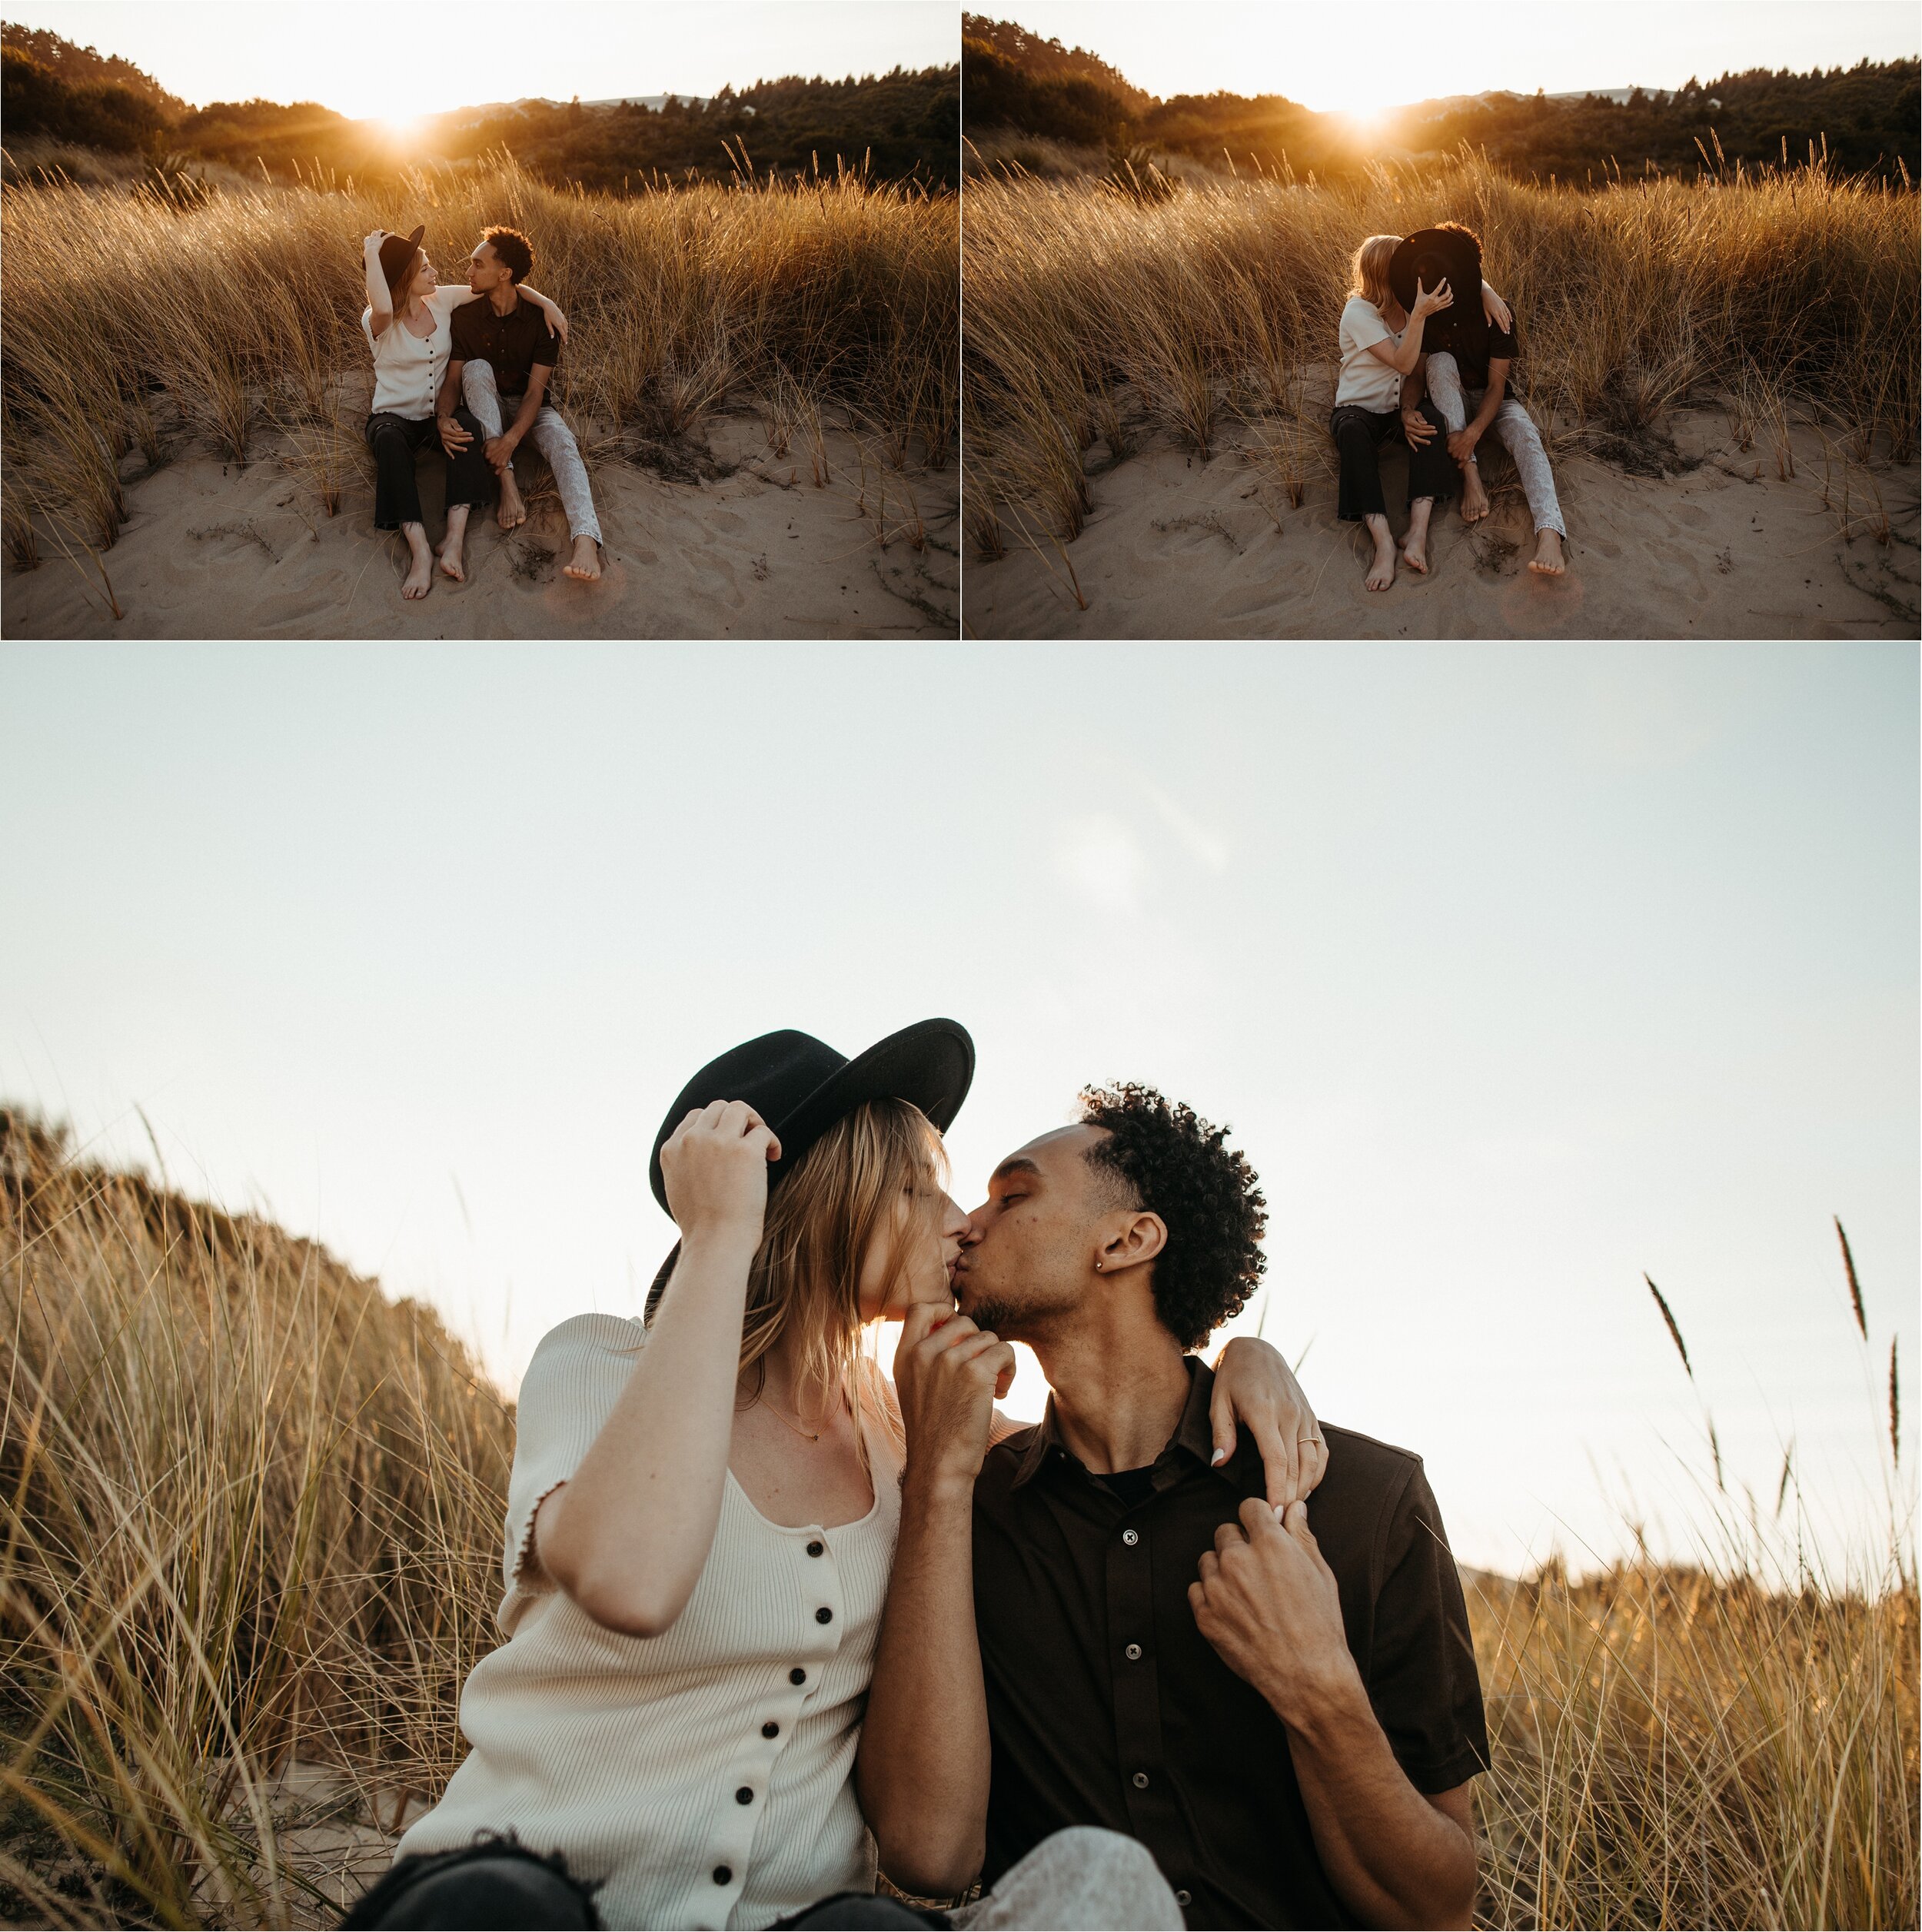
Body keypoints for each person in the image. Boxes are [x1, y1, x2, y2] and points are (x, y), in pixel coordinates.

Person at [344, 1023, 1322, 1930]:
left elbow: (1126, 1421)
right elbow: (633, 1581)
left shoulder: (909, 1430)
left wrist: (1239, 1356)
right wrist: (722, 1236)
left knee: (1089, 1888)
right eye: (918, 1189)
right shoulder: (598, 1369)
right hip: (522, 1896)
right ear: (822, 1200)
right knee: (497, 1906)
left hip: (800, 1920)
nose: (960, 1222)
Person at [860, 1083, 1489, 1930]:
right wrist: (938, 1476)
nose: (967, 1222)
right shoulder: (966, 1509)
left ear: (1127, 1238)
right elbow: (923, 1858)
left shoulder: (1364, 1502)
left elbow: (1439, 1908)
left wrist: (1318, 1688)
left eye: (1012, 1195)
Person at [359, 226, 570, 599]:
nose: (435, 273)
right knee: (390, 442)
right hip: (392, 417)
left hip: (435, 418)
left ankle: (453, 541)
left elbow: (503, 285)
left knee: (469, 426)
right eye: (425, 268)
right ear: (406, 277)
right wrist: (372, 253)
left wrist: (546, 303)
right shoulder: (377, 321)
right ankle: (420, 550)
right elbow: (384, 305)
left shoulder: (441, 300)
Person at [1332, 237, 1515, 592]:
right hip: (1359, 411)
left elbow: (1457, 274)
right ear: (1384, 272)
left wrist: (1485, 289)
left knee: (1434, 421)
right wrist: (1419, 316)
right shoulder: (1359, 311)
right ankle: (1383, 540)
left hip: (1399, 411)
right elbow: (1402, 361)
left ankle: (1416, 531)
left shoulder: (1412, 304)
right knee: (1352, 433)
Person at [1392, 224, 1568, 577]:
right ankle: (1470, 474)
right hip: (1449, 398)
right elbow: (1417, 372)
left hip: (1492, 402)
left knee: (1526, 435)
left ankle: (1550, 533)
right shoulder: (1426, 311)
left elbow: (1496, 388)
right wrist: (1406, 409)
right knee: (1440, 362)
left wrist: (1471, 433)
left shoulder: (1498, 314)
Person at [436, 227, 604, 585]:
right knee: (476, 368)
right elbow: (453, 381)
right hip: (487, 405)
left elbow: (535, 394)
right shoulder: (465, 316)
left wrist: (511, 439)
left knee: (563, 443)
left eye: (477, 265)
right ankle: (507, 480)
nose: (468, 272)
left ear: (504, 273)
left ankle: (586, 540)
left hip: (531, 409)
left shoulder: (542, 322)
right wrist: (443, 416)